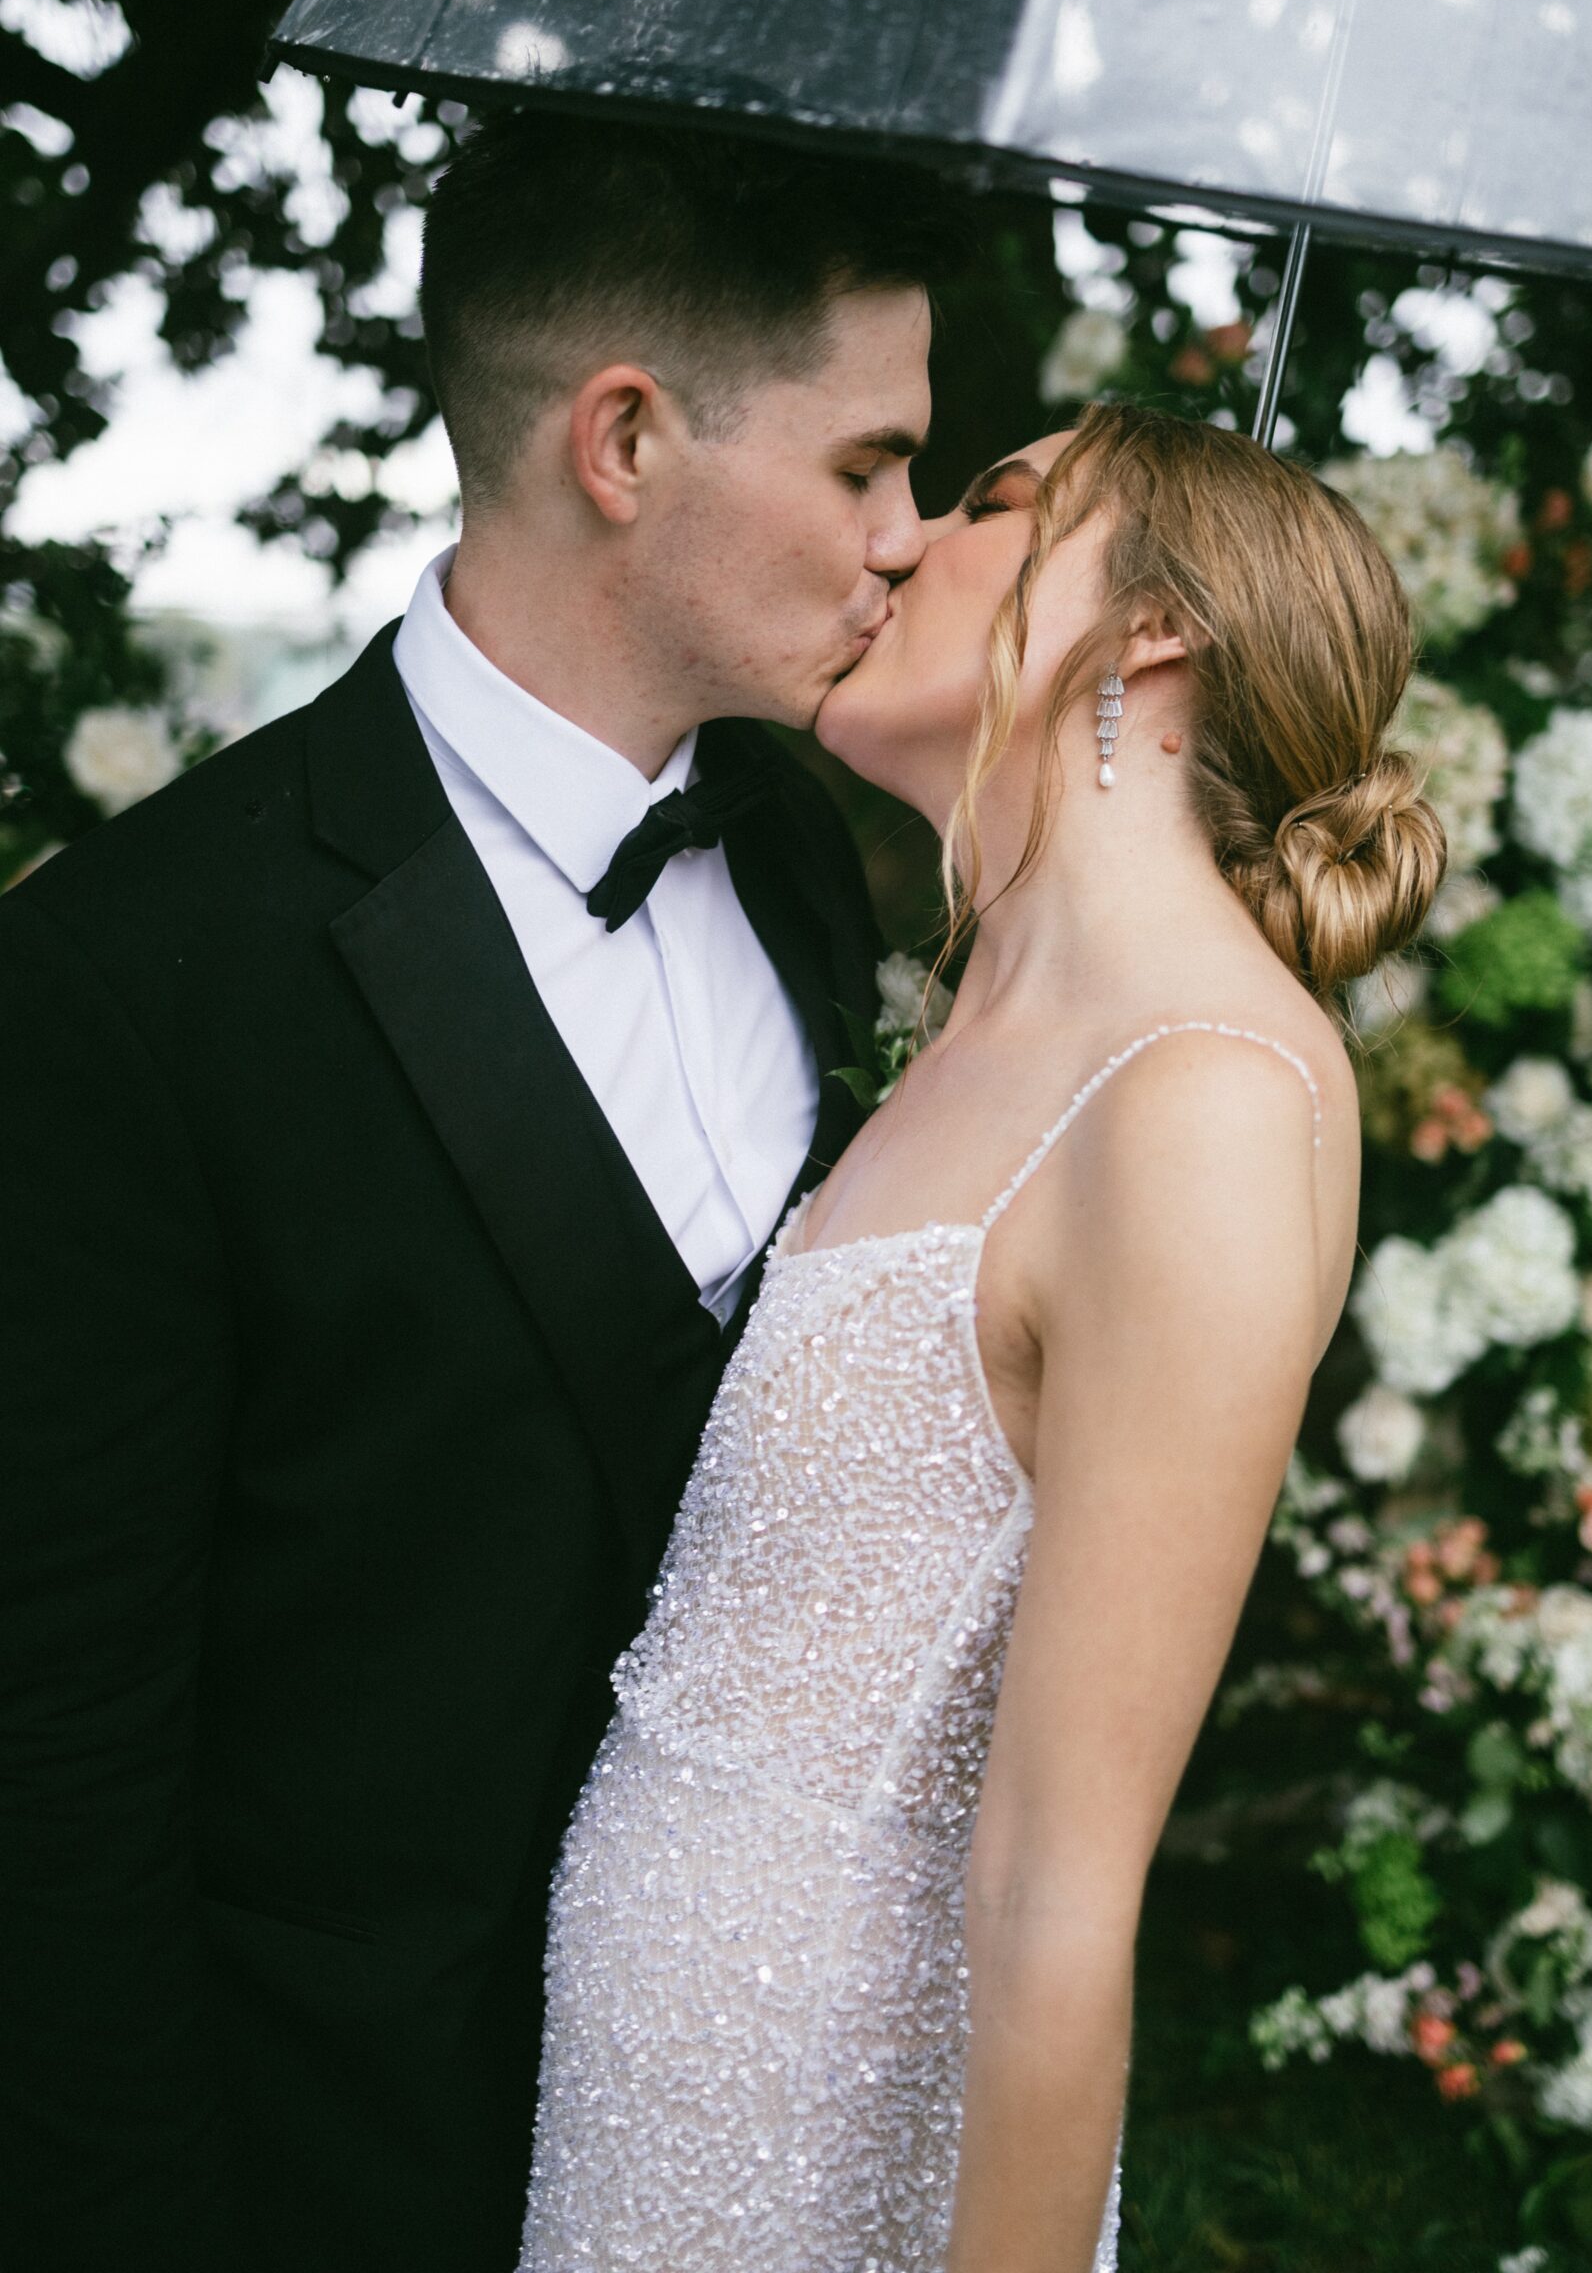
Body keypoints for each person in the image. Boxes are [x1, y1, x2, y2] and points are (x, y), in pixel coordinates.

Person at [0, 112, 969, 2273]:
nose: (908, 538)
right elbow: (54, 1742)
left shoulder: (803, 859)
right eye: (861, 465)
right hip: (326, 2157)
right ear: (621, 441)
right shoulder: (132, 973)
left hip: (759, 2114)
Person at [517, 401, 1448, 2272]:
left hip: (829, 2151)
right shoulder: (964, 1040)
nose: (901, 539)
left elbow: (1057, 1895)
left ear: (1155, 629)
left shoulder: (1207, 1101)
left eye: (990, 504)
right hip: (648, 2125)